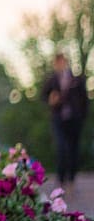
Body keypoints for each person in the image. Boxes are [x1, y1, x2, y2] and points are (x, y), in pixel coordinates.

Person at [41, 51, 88, 191]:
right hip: (58, 119)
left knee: (73, 149)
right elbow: (43, 96)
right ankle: (61, 180)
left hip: (74, 119)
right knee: (61, 148)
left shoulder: (76, 79)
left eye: (61, 62)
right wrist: (51, 99)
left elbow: (84, 100)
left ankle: (71, 179)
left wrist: (82, 117)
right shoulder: (52, 80)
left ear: (65, 62)